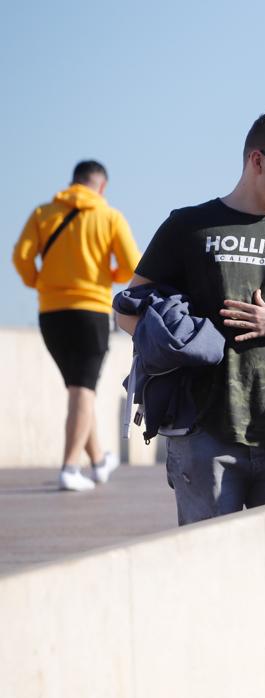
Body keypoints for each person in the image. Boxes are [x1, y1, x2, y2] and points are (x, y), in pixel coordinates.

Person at [116, 110, 265, 525]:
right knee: (207, 576)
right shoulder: (188, 226)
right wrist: (171, 339)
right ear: (257, 161)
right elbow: (126, 309)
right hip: (203, 436)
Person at [13, 160, 140, 491]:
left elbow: (21, 257)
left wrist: (39, 282)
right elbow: (131, 266)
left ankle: (98, 460)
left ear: (73, 182)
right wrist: (105, 277)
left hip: (51, 313)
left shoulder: (44, 213)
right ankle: (70, 468)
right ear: (102, 187)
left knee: (78, 388)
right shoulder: (109, 217)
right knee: (83, 389)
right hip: (91, 311)